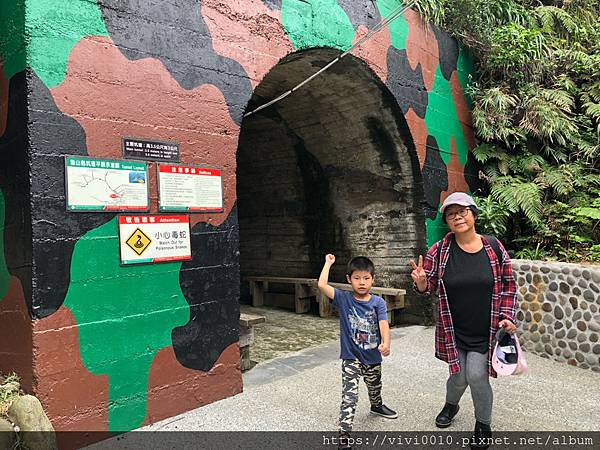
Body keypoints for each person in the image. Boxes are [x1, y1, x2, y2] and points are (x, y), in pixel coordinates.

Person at [409, 192, 517, 450]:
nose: (457, 216)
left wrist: (508, 317)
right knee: (458, 378)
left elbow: (509, 285)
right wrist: (422, 283)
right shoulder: (440, 250)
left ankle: (483, 425)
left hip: (486, 329)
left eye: (462, 211)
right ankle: (451, 405)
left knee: (476, 376)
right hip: (453, 330)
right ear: (446, 220)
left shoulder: (493, 247)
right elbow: (429, 285)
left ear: (473, 214)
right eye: (451, 213)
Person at [318, 254, 397, 449]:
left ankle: (376, 405)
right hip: (350, 358)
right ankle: (344, 437)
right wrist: (328, 264)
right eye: (357, 278)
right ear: (349, 279)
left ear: (373, 279)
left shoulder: (378, 302)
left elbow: (383, 324)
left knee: (374, 385)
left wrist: (386, 343)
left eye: (366, 278)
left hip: (372, 357)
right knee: (349, 397)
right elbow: (321, 285)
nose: (362, 283)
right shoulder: (344, 299)